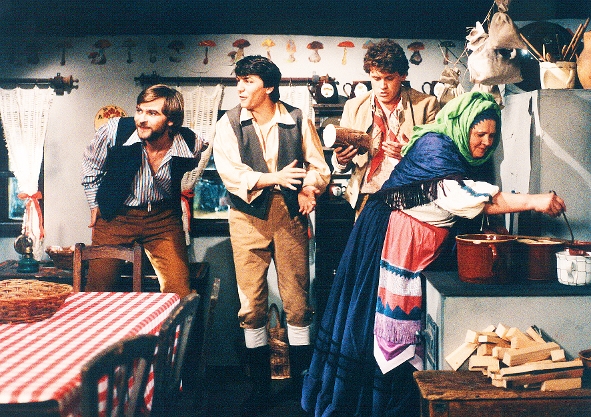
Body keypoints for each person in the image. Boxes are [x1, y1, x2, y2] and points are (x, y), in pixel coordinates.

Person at [302, 91, 566, 417]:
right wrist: (535, 201)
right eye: (479, 134)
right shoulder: (436, 148)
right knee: (381, 329)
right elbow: (463, 198)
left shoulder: (449, 147)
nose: (486, 142)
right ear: (462, 126)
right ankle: (375, 408)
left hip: (412, 238)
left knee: (393, 328)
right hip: (393, 238)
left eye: (492, 136)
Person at [212, 55, 331, 416]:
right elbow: (230, 173)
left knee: (297, 301)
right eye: (238, 81)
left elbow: (318, 167)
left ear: (269, 87)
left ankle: (299, 389)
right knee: (251, 305)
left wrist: (308, 188)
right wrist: (273, 178)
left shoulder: (296, 118)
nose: (240, 88)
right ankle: (260, 389)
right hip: (247, 217)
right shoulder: (229, 122)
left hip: (289, 215)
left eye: (248, 81)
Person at [81, 84, 207, 298]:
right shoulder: (114, 130)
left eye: (152, 113)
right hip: (116, 216)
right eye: (139, 110)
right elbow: (91, 165)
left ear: (171, 120)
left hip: (163, 219)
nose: (141, 119)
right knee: (97, 292)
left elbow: (192, 162)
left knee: (180, 293)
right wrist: (94, 204)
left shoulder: (191, 144)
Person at [333, 39, 440, 216]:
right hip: (367, 197)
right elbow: (342, 164)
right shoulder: (353, 107)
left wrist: (409, 155)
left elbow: (437, 157)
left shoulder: (426, 105)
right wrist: (341, 160)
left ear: (403, 76)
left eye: (389, 78)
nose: (382, 86)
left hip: (411, 196)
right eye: (376, 78)